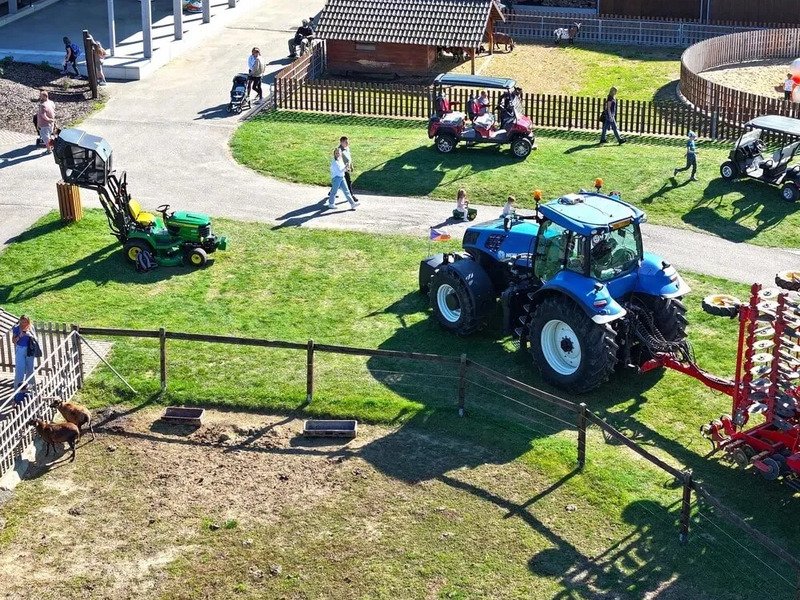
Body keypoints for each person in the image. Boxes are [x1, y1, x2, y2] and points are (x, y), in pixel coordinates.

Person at [12, 315, 36, 392]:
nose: (24, 324)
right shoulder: (16, 328)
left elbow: (36, 339)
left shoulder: (31, 327)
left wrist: (30, 335)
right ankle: (18, 390)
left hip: (30, 349)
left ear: (28, 321)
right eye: (22, 322)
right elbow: (14, 341)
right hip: (20, 349)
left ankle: (31, 389)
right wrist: (20, 335)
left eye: (26, 322)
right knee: (20, 369)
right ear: (20, 321)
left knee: (30, 369)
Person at [338, 136, 358, 202]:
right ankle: (351, 195)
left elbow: (349, 158)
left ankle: (331, 192)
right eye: (345, 142)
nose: (347, 143)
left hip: (347, 168)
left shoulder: (347, 148)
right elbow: (338, 161)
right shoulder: (339, 150)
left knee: (339, 181)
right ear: (341, 142)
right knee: (348, 181)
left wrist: (351, 166)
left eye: (347, 141)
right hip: (343, 169)